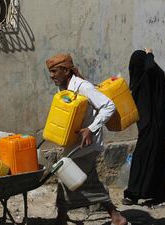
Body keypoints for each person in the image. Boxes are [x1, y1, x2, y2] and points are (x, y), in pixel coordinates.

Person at [46, 53, 128, 225]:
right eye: (50, 72)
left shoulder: (83, 86)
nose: (52, 75)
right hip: (75, 143)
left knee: (67, 175)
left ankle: (115, 217)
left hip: (87, 143)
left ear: (66, 70)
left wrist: (90, 129)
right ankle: (114, 216)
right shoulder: (63, 87)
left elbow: (108, 106)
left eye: (55, 71)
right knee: (77, 177)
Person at [123, 48, 165, 205]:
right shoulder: (145, 79)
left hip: (153, 126)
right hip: (152, 126)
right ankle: (152, 193)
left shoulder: (152, 74)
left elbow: (151, 67)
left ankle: (134, 193)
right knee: (153, 159)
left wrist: (150, 54)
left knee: (144, 159)